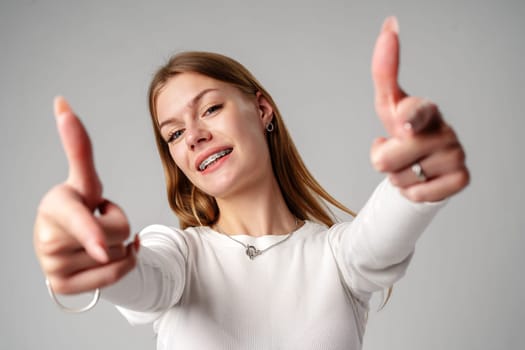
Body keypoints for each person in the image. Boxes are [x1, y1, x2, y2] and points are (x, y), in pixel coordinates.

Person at [33, 17, 469, 350]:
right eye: (174, 134)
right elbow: (140, 278)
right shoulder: (178, 258)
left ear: (262, 110)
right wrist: (89, 253)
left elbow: (384, 233)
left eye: (210, 109)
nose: (195, 136)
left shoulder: (339, 258)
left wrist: (419, 174)